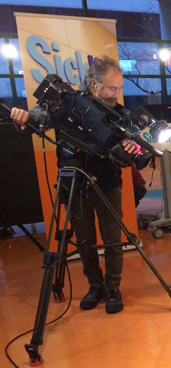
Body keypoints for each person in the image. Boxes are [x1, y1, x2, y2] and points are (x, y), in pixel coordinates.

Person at [11, 56, 135, 314]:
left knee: (112, 238)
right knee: (85, 241)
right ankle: (95, 286)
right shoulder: (66, 104)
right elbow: (36, 116)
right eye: (112, 88)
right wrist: (23, 116)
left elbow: (131, 153)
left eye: (119, 88)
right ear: (93, 84)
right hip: (74, 183)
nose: (116, 94)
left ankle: (113, 287)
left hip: (108, 183)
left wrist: (130, 150)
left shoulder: (120, 114)